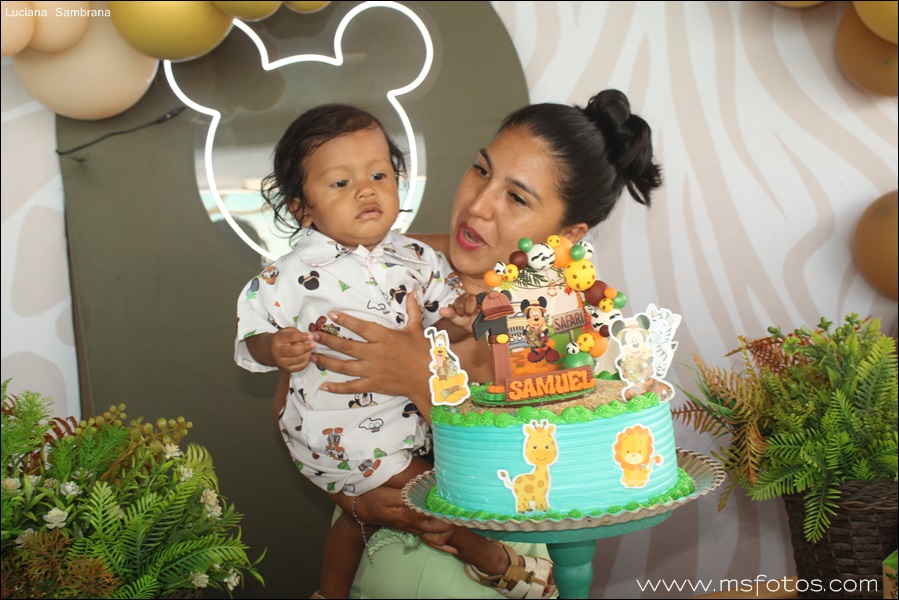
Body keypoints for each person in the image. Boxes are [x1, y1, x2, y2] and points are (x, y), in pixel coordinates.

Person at [288, 88, 663, 598]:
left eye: (517, 197)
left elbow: (545, 527)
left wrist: (420, 380)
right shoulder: (384, 264)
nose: (478, 205)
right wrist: (355, 503)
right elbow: (295, 405)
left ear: (569, 233)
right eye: (481, 170)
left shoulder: (565, 330)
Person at [235, 104, 556, 599]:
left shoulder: (418, 259)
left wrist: (461, 314)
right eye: (341, 182)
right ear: (302, 207)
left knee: (361, 519)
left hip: (394, 428)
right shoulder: (289, 275)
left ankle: (331, 592)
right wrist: (274, 348)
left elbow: (436, 326)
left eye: (379, 175)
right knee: (432, 492)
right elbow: (255, 336)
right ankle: (488, 558)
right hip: (339, 428)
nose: (366, 191)